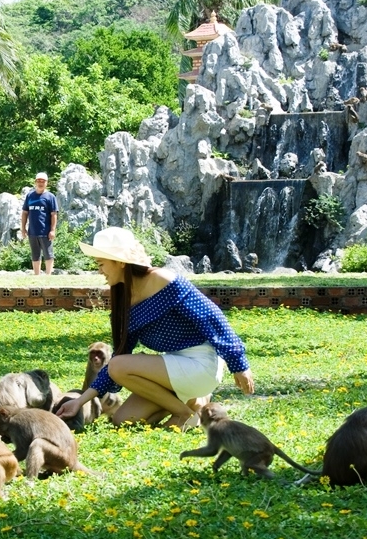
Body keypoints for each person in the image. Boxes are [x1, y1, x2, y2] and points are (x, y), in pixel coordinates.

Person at [55, 227, 254, 428]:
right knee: (123, 419)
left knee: (118, 366)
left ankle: (184, 414)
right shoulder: (124, 298)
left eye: (101, 264)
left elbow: (213, 318)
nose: (99, 271)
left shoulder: (164, 280)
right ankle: (195, 402)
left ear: (120, 262)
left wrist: (239, 364)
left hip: (201, 364)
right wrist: (80, 401)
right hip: (176, 366)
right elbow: (121, 356)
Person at [20, 172, 58, 275]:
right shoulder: (30, 196)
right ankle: (37, 275)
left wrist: (52, 230)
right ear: (35, 182)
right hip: (32, 231)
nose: (40, 183)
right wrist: (23, 228)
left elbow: (54, 214)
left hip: (45, 231)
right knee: (35, 254)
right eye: (38, 181)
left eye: (43, 181)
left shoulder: (50, 197)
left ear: (46, 183)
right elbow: (25, 213)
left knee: (48, 254)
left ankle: (48, 275)